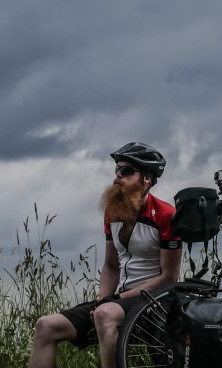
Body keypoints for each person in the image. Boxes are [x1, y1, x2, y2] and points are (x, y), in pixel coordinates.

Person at [27, 142, 182, 368]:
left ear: (146, 180)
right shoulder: (113, 210)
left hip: (155, 300)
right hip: (118, 301)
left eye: (127, 171)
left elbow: (169, 278)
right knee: (46, 326)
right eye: (117, 169)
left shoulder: (166, 214)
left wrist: (115, 301)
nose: (118, 176)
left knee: (105, 314)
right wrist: (103, 297)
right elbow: (111, 266)